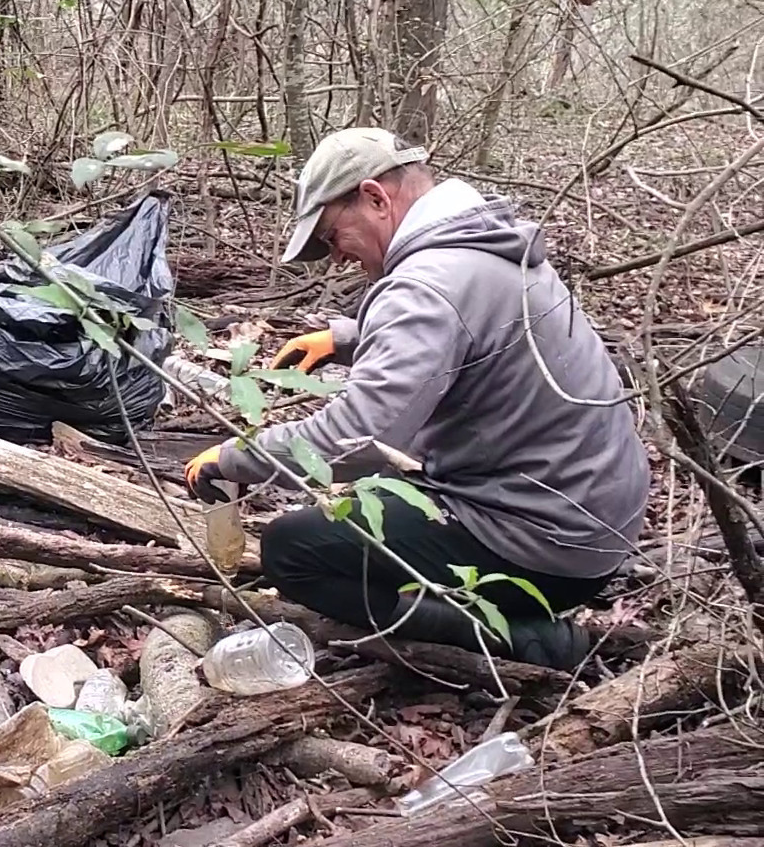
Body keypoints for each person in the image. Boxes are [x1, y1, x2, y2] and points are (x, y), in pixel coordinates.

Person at [183, 128, 648, 670]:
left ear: (376, 198)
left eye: (334, 237)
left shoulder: (426, 285)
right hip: (589, 517)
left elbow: (358, 438)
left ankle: (521, 639)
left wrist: (238, 456)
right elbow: (473, 334)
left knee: (294, 550)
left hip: (545, 547)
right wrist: (346, 340)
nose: (337, 259)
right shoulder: (483, 244)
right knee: (373, 497)